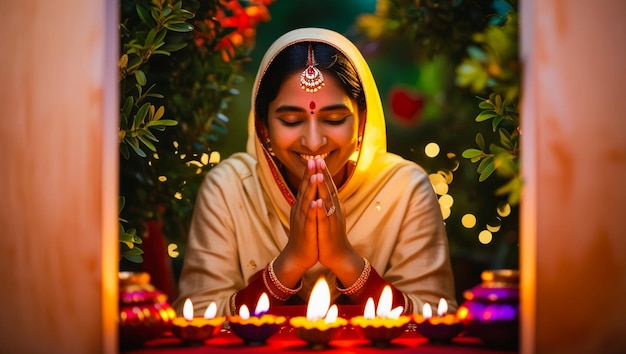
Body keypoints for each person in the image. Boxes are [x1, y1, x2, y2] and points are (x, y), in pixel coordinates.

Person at [173, 28, 457, 316]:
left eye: (334, 119)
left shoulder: (405, 188)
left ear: (361, 123)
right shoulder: (229, 188)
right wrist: (291, 261)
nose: (313, 141)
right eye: (291, 120)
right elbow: (197, 316)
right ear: (263, 127)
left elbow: (437, 315)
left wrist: (344, 259)